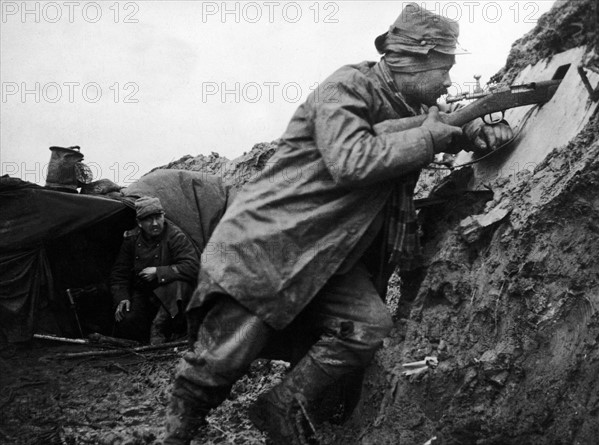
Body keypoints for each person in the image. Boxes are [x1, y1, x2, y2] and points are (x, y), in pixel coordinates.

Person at [163, 3, 514, 444]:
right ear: (416, 59)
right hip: (274, 241)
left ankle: (283, 405)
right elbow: (352, 160)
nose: (447, 81)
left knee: (367, 327)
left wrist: (471, 132)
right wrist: (432, 135)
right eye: (443, 69)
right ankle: (175, 434)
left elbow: (405, 133)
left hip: (329, 253)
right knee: (224, 357)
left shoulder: (403, 102)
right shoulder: (346, 86)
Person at [111, 196, 199, 345]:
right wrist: (122, 297)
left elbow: (192, 266)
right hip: (143, 291)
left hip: (170, 293)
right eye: (148, 220)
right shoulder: (132, 239)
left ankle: (162, 329)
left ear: (163, 216)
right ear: (139, 223)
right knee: (126, 320)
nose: (155, 223)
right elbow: (119, 273)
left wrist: (158, 272)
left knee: (180, 286)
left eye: (158, 217)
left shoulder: (175, 236)